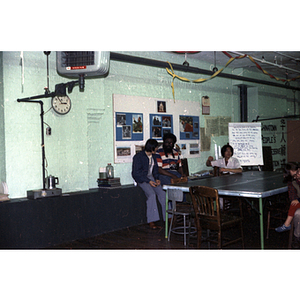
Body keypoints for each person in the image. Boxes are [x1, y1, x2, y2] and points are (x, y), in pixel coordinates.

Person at [132, 139, 166, 229]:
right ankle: (152, 220)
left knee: (162, 193)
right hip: (142, 179)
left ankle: (168, 217)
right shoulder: (138, 157)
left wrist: (157, 179)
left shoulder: (154, 156)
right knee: (151, 195)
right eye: (156, 148)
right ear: (152, 148)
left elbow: (155, 170)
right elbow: (136, 173)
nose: (157, 149)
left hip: (151, 178)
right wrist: (148, 181)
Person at [275, 162, 300, 233]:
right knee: (294, 204)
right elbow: (292, 196)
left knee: (294, 205)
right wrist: (296, 200)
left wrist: (298, 200)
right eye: (295, 173)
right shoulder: (293, 182)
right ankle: (296, 236)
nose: (297, 174)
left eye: (297, 172)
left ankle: (287, 224)